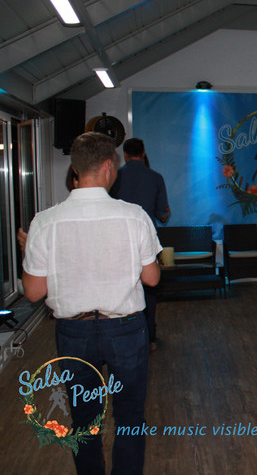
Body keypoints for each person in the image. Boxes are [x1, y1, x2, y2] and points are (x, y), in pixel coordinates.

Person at [21, 132, 161, 475]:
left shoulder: (44, 222)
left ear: (76, 169)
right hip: (125, 330)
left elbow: (34, 292)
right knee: (129, 416)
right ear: (109, 167)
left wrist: (29, 252)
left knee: (84, 419)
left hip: (74, 332)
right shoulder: (134, 216)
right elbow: (152, 278)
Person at [111, 137, 170, 351]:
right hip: (146, 241)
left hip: (119, 241)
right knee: (149, 290)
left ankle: (123, 337)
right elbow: (162, 214)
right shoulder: (156, 178)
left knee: (121, 289)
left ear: (125, 155)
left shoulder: (115, 177)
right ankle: (149, 338)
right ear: (143, 153)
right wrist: (164, 212)